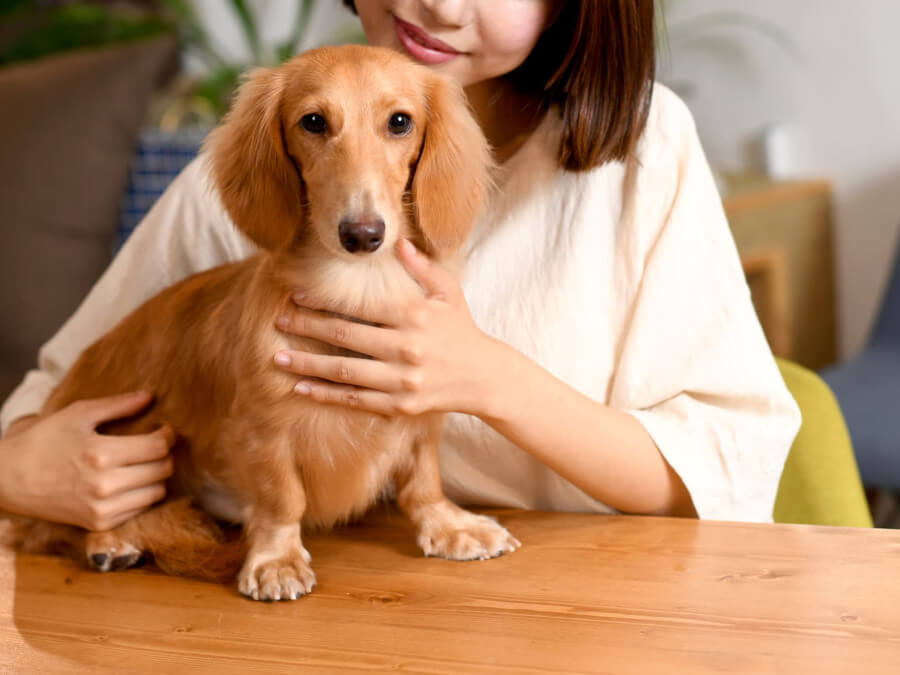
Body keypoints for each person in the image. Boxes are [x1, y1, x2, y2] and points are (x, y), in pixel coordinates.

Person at [0, 0, 801, 532]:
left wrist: (487, 378)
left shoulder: (641, 149)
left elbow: (723, 469)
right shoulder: (273, 156)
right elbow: (54, 395)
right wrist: (20, 468)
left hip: (588, 615)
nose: (443, 6)